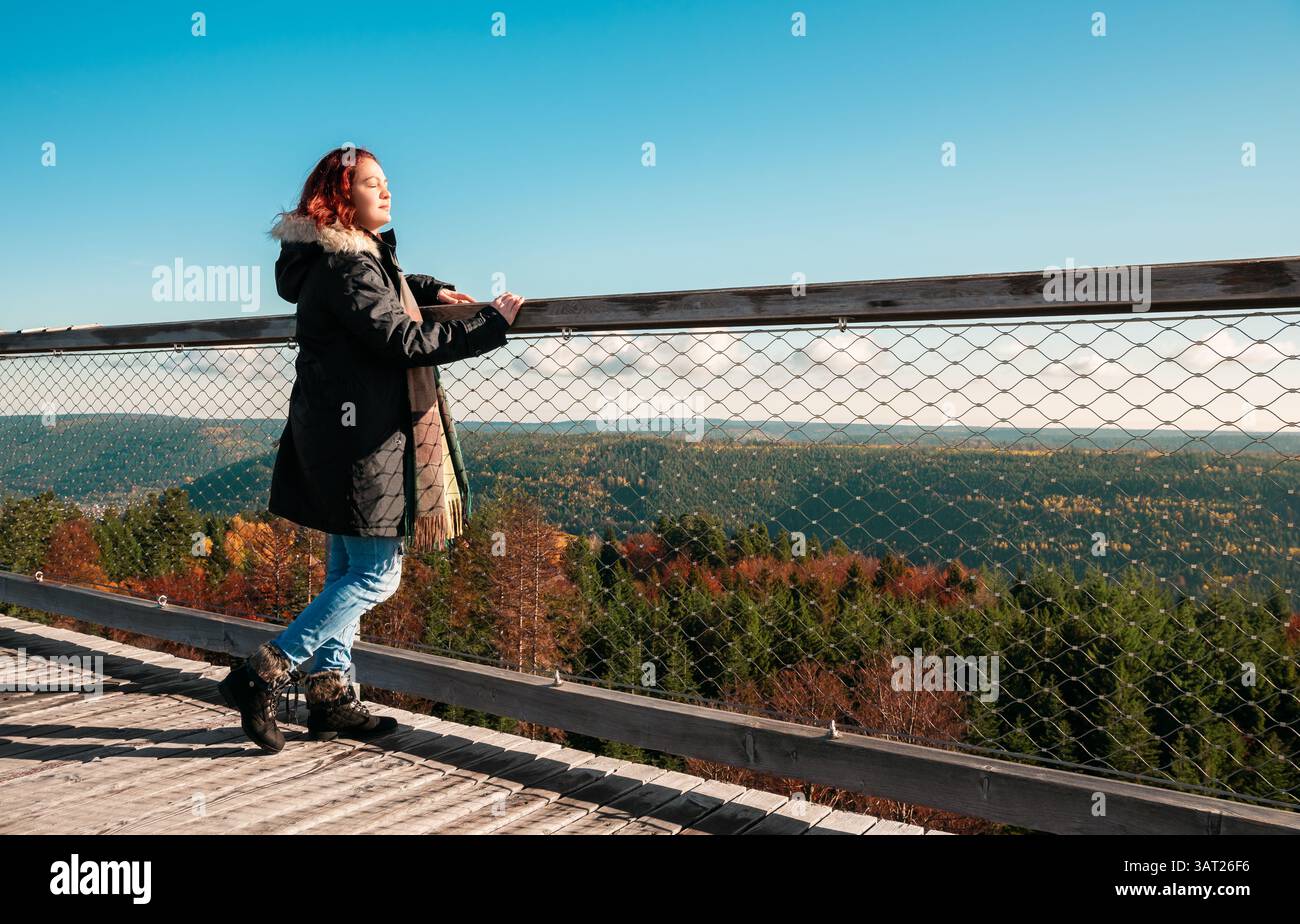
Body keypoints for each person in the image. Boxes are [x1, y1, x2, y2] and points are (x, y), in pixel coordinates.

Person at [218, 146, 526, 753]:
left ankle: (330, 698)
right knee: (377, 576)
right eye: (371, 184)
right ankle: (262, 674)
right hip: (362, 444)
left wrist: (436, 287)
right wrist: (490, 325)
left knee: (345, 570)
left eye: (387, 183)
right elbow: (402, 337)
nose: (386, 193)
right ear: (340, 198)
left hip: (337, 434)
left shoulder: (340, 260)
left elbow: (390, 289)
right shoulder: (347, 267)